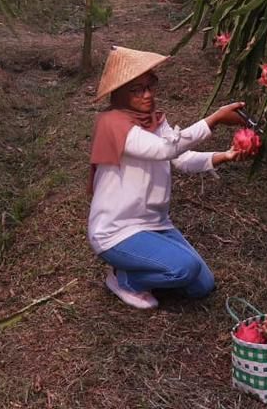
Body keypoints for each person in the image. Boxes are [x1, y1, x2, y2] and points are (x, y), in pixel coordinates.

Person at [87, 45, 252, 310]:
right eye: (137, 90)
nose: (147, 95)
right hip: (117, 231)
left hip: (155, 224)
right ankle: (124, 279)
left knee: (202, 286)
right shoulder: (112, 123)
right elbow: (164, 149)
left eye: (149, 86)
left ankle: (152, 267)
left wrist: (225, 155)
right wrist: (214, 119)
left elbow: (180, 159)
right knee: (184, 269)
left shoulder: (153, 120)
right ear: (119, 93)